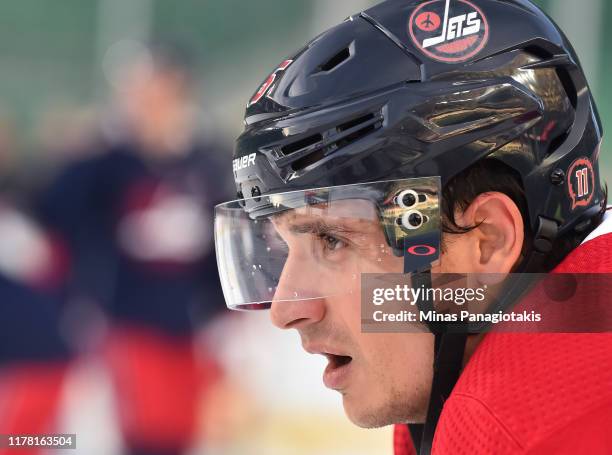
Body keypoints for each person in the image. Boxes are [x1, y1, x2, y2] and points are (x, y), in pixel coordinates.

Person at [213, 0, 612, 453]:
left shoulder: (518, 426)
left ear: (487, 243)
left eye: (332, 238)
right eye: (286, 246)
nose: (286, 310)